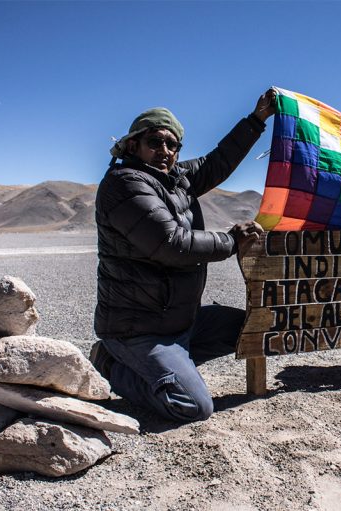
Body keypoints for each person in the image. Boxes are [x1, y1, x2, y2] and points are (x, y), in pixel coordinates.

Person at [91, 90, 277, 422]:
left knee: (250, 331)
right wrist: (232, 240)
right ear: (133, 145)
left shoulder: (176, 180)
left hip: (179, 321)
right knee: (193, 406)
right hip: (137, 328)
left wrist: (257, 120)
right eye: (155, 142)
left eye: (172, 144)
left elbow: (218, 162)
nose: (164, 151)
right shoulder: (124, 184)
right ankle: (110, 364)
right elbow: (171, 244)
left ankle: (171, 366)